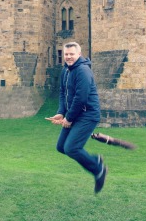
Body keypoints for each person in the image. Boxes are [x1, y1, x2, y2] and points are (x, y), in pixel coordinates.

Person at [45, 42, 108, 194]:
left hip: (88, 114)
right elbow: (63, 93)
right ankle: (96, 162)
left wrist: (69, 118)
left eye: (71, 54)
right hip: (75, 114)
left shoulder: (83, 71)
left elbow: (81, 98)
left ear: (79, 54)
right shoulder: (66, 70)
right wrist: (61, 112)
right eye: (66, 54)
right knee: (61, 147)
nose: (68, 57)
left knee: (71, 148)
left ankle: (98, 169)